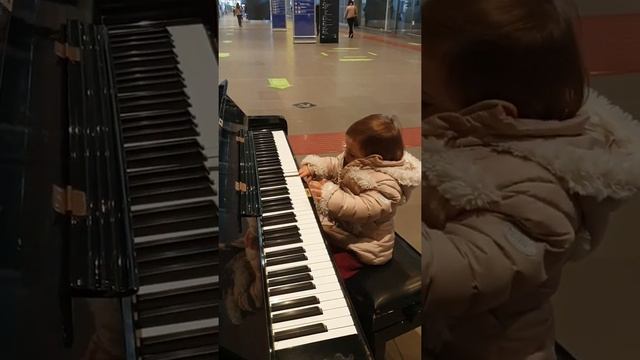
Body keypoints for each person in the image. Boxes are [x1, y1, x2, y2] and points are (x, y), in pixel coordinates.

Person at [421, 0, 640, 359]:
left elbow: (461, 270)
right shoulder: (463, 138)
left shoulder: (537, 191)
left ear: (495, 113)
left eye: (426, 101)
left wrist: (385, 234)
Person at [299, 115, 420, 279]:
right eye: (346, 147)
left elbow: (364, 208)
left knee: (329, 273)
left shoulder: (388, 184)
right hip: (345, 229)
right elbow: (336, 164)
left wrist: (329, 194)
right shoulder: (355, 160)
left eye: (351, 152)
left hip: (365, 246)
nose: (345, 153)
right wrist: (314, 167)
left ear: (375, 159)